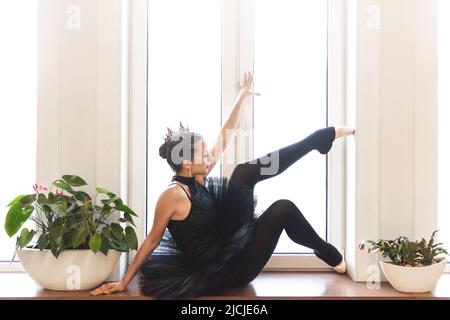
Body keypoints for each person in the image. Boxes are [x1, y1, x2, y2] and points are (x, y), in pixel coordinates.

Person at [90, 72, 355, 299]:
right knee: (251, 182)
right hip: (229, 271)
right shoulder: (172, 196)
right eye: (201, 153)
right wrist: (124, 282)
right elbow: (151, 240)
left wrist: (241, 97)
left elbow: (223, 137)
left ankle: (325, 248)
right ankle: (317, 141)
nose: (209, 156)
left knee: (274, 201)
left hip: (237, 249)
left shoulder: (198, 176)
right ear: (185, 163)